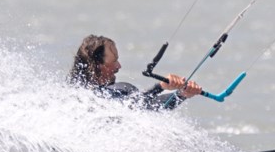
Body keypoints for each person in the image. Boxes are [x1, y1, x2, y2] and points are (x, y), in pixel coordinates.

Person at [67, 34, 202, 111]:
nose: (119, 66)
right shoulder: (114, 91)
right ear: (97, 65)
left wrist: (172, 91)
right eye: (113, 61)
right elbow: (145, 107)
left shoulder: (74, 95)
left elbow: (138, 105)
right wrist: (174, 92)